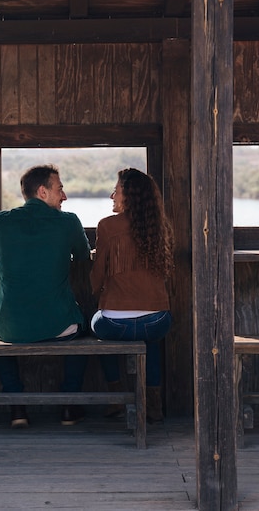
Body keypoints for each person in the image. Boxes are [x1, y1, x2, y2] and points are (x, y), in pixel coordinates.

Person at [0, 164, 91, 428]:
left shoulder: (1, 220)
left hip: (10, 328)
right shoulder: (68, 221)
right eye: (60, 189)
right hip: (61, 327)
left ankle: (17, 407)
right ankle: (69, 405)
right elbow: (83, 255)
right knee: (82, 327)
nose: (65, 196)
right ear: (42, 191)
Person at [90, 168, 174, 423]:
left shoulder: (107, 226)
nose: (112, 195)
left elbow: (97, 274)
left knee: (98, 330)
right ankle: (154, 406)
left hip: (115, 323)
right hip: (158, 320)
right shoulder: (160, 227)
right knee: (151, 341)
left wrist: (98, 292)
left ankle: (116, 398)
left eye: (116, 189)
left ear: (127, 195)